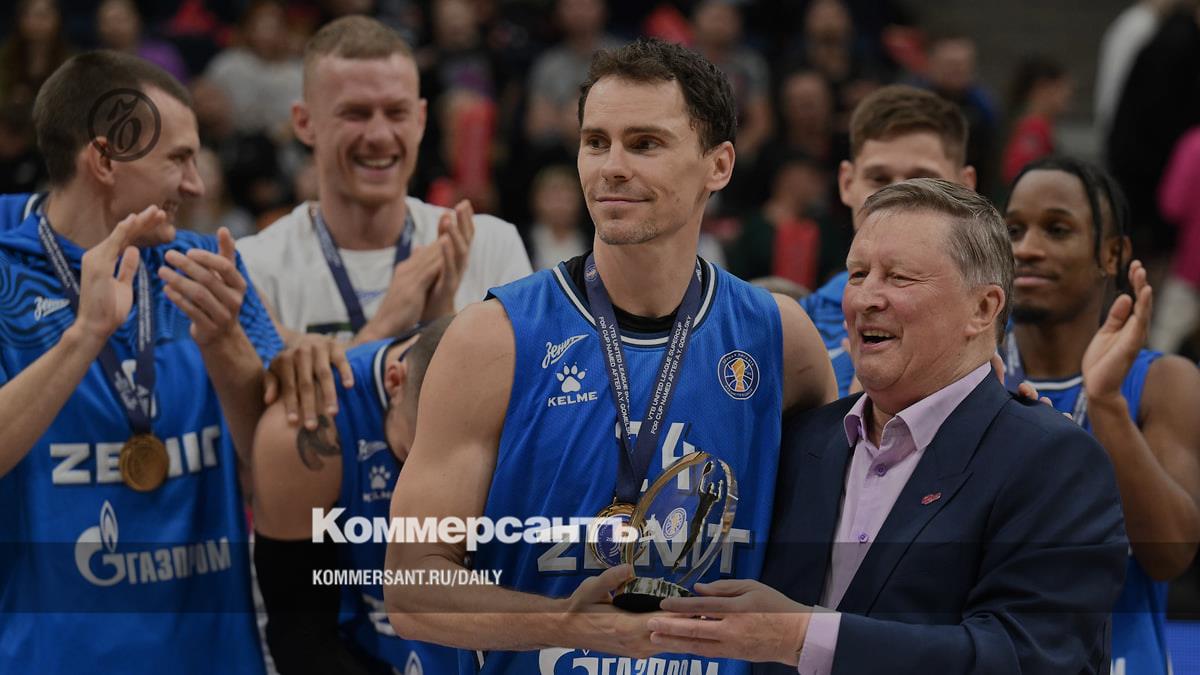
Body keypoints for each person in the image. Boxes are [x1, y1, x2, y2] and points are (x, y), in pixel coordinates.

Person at [384, 38, 835, 674]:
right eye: (596, 142)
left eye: (645, 144)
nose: (611, 167)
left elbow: (839, 533)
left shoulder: (780, 338)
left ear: (719, 165)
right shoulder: (493, 338)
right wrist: (568, 624)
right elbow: (411, 589)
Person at [648, 178, 1129, 674]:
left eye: (899, 278)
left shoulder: (1055, 461)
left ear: (983, 308)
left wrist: (800, 636)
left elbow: (1027, 659)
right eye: (858, 274)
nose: (865, 299)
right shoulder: (800, 441)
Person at [0, 51, 282, 672]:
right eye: (178, 159)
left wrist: (227, 346)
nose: (197, 185)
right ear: (104, 159)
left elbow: (279, 468)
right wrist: (86, 335)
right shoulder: (6, 269)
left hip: (212, 657)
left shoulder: (207, 268)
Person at [1004, 157, 1200, 675]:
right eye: (1014, 230)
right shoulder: (968, 376)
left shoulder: (1165, 382)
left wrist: (1107, 402)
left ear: (1112, 254)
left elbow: (1170, 555)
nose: (1026, 248)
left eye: (1057, 229)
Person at [234, 16, 530, 346]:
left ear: (420, 120)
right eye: (355, 113)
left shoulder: (490, 247)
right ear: (304, 123)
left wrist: (440, 326)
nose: (379, 135)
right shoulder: (256, 267)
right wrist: (385, 328)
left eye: (396, 112)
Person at [251, 317, 457, 675]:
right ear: (395, 382)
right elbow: (300, 637)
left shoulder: (535, 401)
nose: (437, 485)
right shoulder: (309, 425)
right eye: (413, 456)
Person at [800, 85, 976, 396]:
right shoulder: (797, 328)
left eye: (922, 179)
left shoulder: (1008, 328)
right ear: (847, 183)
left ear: (965, 186)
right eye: (879, 179)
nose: (897, 197)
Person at [1001, 56, 1072, 185]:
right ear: (1043, 87)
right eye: (1062, 88)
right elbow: (1016, 172)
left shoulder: (1031, 123)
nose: (1067, 95)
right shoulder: (1034, 127)